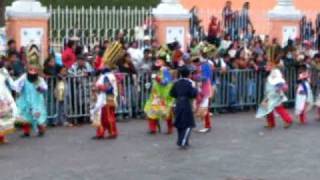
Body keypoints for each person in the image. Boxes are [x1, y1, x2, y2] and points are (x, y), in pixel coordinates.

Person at [256, 59, 293, 129]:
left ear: (272, 65)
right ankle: (271, 123)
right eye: (266, 64)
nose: (266, 66)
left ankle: (288, 120)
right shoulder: (271, 72)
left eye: (268, 65)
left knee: (278, 107)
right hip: (269, 93)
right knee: (267, 108)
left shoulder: (275, 72)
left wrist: (280, 89)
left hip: (274, 93)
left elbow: (279, 82)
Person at [14, 62, 48, 137]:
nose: (32, 71)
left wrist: (39, 88)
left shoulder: (39, 79)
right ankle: (26, 131)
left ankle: (41, 129)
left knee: (37, 116)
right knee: (25, 115)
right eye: (30, 69)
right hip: (25, 99)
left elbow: (44, 88)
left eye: (34, 70)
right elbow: (17, 85)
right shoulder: (24, 77)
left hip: (36, 100)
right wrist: (19, 89)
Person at [170, 66, 198, 149]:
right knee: (188, 124)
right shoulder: (189, 83)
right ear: (189, 74)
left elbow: (171, 93)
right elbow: (193, 94)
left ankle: (181, 140)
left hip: (178, 103)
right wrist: (196, 89)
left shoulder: (176, 83)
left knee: (180, 123)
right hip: (186, 103)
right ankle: (183, 141)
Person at [144, 58, 174, 134]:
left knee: (166, 112)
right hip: (156, 95)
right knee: (152, 110)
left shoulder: (165, 71)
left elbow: (165, 82)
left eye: (160, 60)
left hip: (165, 95)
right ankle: (153, 128)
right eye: (157, 60)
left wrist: (157, 79)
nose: (157, 62)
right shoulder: (157, 71)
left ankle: (170, 128)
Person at [91, 66, 119, 139]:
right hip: (107, 99)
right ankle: (101, 133)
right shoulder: (110, 76)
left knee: (107, 117)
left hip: (106, 100)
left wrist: (98, 87)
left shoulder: (106, 76)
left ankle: (111, 132)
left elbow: (108, 88)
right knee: (102, 117)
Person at [0, 60, 17, 143]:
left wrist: (18, 87)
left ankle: (2, 137)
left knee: (3, 116)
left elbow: (11, 83)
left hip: (3, 95)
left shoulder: (3, 71)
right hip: (3, 95)